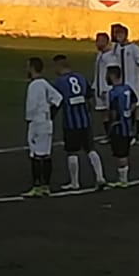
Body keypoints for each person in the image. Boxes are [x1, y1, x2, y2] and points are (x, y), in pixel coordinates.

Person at [52, 54, 105, 192]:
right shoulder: (81, 78)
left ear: (59, 66)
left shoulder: (59, 82)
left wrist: (50, 117)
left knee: (72, 152)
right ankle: (100, 177)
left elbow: (55, 102)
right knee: (90, 149)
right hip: (85, 121)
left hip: (70, 123)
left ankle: (75, 182)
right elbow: (89, 97)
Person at [25, 58, 64, 198]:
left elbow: (32, 107)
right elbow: (58, 99)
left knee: (35, 155)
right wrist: (51, 115)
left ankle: (36, 186)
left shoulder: (34, 85)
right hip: (47, 123)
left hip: (37, 123)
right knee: (46, 155)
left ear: (32, 68)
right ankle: (46, 186)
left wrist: (30, 120)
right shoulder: (45, 84)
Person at [103, 65, 136, 189]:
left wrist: (111, 124)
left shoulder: (113, 93)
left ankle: (123, 180)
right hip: (127, 126)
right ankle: (123, 179)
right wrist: (128, 113)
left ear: (112, 76)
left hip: (118, 127)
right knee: (124, 153)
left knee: (120, 154)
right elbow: (134, 102)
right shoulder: (127, 88)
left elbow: (113, 112)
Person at [110, 24, 139, 134]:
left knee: (136, 105)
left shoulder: (134, 48)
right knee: (119, 106)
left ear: (126, 35)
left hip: (133, 82)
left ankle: (138, 130)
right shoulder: (115, 48)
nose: (118, 36)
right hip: (120, 82)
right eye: (117, 34)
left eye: (121, 34)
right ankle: (122, 127)